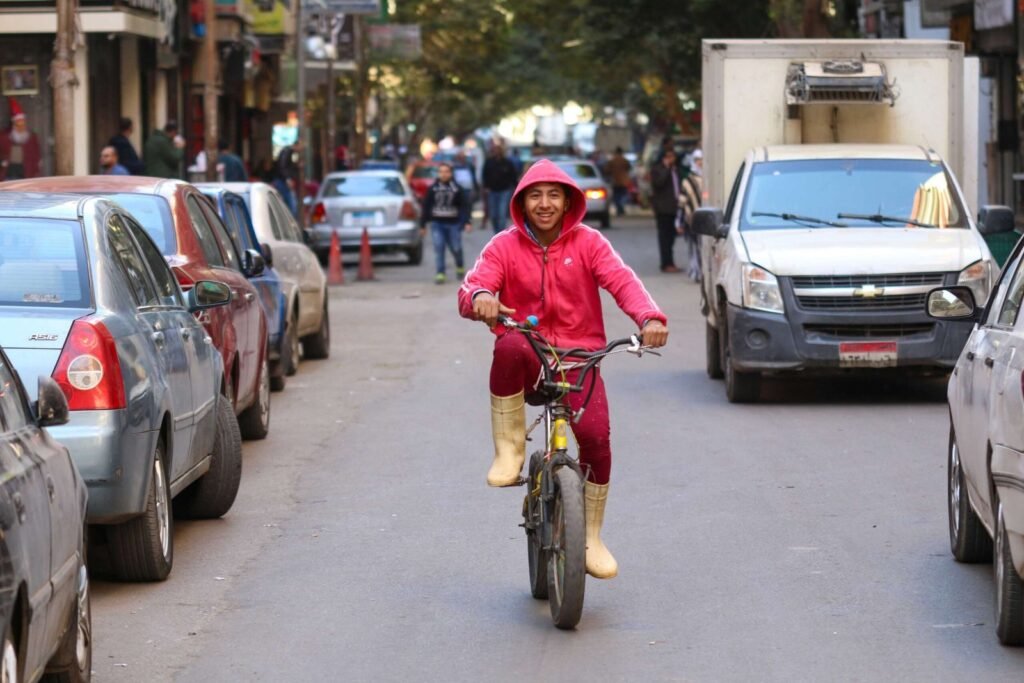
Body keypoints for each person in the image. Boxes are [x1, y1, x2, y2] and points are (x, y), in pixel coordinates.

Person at [457, 159, 669, 579]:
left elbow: (622, 281)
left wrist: (649, 318)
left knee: (595, 439)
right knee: (510, 342)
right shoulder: (503, 245)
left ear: (569, 200)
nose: (545, 203)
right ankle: (509, 450)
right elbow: (473, 285)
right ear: (521, 202)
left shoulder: (589, 243)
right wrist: (481, 297)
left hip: (580, 359)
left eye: (554, 195)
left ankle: (590, 535)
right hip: (530, 359)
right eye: (535, 195)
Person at [420, 162, 472, 284]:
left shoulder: (457, 188)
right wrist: (422, 225)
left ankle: (460, 266)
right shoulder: (432, 189)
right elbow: (426, 206)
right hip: (437, 223)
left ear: (451, 173)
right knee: (439, 247)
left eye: (446, 172)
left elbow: (465, 205)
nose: (444, 174)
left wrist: (467, 221)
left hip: (454, 224)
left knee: (456, 247)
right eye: (441, 172)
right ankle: (440, 272)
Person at [650, 148, 682, 272]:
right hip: (663, 209)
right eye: (668, 157)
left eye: (672, 157)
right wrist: (667, 169)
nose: (671, 159)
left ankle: (671, 262)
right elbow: (659, 183)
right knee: (665, 238)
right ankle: (665, 263)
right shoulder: (657, 170)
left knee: (672, 237)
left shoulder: (675, 170)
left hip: (674, 208)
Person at [481, 143, 518, 233]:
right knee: (493, 214)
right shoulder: (489, 162)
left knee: (501, 214)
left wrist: (515, 188)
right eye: (494, 150)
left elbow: (513, 176)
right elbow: (484, 175)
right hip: (492, 191)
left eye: (498, 150)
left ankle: (500, 233)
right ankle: (496, 231)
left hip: (504, 191)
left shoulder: (507, 163)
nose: (496, 152)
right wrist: (485, 187)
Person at [679, 149, 704, 281]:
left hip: (707, 218)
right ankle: (696, 271)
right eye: (698, 160)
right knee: (694, 246)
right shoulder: (688, 180)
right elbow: (682, 202)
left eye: (701, 160)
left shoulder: (708, 178)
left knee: (703, 246)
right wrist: (679, 221)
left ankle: (701, 271)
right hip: (692, 219)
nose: (700, 163)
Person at [0, 99, 40, 180]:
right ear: (14, 124)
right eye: (18, 124)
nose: (21, 127)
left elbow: (36, 156)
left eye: (23, 124)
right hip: (8, 171)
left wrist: (36, 170)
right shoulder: (4, 137)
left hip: (26, 171)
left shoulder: (32, 138)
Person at [274, 141, 301, 216]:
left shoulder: (289, 152)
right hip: (283, 182)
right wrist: (288, 179)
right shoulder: (287, 151)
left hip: (283, 181)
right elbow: (283, 166)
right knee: (291, 205)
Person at [604, 147, 632, 217]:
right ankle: (621, 207)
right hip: (623, 181)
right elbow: (629, 168)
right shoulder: (625, 160)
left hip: (615, 181)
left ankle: (619, 208)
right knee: (623, 195)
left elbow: (606, 170)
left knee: (616, 196)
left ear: (615, 152)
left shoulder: (612, 161)